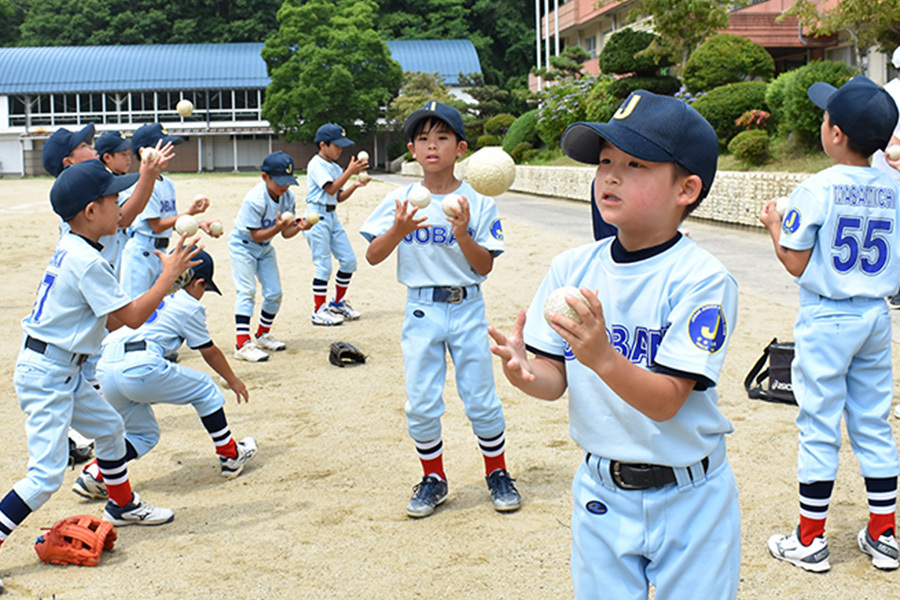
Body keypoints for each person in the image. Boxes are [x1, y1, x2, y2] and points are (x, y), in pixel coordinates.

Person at [489, 91, 740, 598]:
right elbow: (555, 377)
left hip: (691, 496)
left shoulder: (702, 280)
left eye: (635, 163)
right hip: (601, 492)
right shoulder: (571, 268)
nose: (610, 175)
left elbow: (668, 401)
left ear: (686, 188)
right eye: (605, 161)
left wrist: (603, 356)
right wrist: (526, 372)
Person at [0, 159, 201, 553]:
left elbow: (109, 322)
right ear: (91, 212)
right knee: (44, 477)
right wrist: (168, 276)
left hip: (61, 368)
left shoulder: (78, 245)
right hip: (48, 374)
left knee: (110, 429)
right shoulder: (86, 260)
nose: (119, 203)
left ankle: (122, 504)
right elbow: (131, 319)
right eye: (113, 198)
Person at [760, 76, 900, 573]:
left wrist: (774, 224)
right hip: (875, 316)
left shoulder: (817, 186)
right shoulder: (894, 185)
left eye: (825, 118)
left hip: (828, 314)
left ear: (835, 133)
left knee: (819, 424)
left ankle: (810, 539)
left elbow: (795, 263)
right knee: (872, 422)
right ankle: (884, 535)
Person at [360, 100, 521, 518]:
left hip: (467, 307)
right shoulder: (401, 199)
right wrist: (399, 228)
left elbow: (484, 265)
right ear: (412, 149)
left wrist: (463, 233)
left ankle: (497, 472)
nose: (432, 146)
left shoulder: (479, 199)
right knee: (421, 401)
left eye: (442, 137)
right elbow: (374, 256)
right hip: (421, 309)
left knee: (481, 398)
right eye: (423, 139)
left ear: (460, 148)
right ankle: (433, 478)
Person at [71, 250, 258, 500]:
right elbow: (209, 351)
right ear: (198, 283)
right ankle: (231, 455)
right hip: (140, 366)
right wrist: (233, 380)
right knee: (206, 387)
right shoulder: (189, 304)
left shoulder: (150, 296)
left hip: (106, 367)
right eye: (204, 287)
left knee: (142, 434)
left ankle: (96, 473)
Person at [229, 151, 312, 362]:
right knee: (246, 291)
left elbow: (286, 233)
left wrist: (301, 227)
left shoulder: (288, 197)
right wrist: (278, 227)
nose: (284, 187)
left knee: (274, 292)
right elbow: (255, 235)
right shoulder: (254, 200)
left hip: (265, 248)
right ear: (265, 177)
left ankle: (262, 334)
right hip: (243, 246)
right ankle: (242, 344)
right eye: (279, 181)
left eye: (288, 181)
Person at [119, 123, 217, 300]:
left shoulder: (167, 184)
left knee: (153, 308)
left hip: (160, 253)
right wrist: (190, 213)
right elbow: (156, 225)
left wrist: (197, 222)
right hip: (141, 253)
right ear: (144, 152)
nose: (168, 151)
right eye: (162, 146)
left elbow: (171, 222)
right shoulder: (140, 184)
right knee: (135, 307)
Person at [303, 123, 368, 326]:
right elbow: (330, 189)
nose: (340, 149)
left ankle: (338, 303)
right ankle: (318, 310)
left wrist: (355, 185)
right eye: (336, 145)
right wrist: (350, 171)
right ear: (323, 144)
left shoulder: (335, 166)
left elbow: (338, 196)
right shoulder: (316, 164)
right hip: (316, 217)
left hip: (331, 217)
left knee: (349, 260)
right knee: (323, 266)